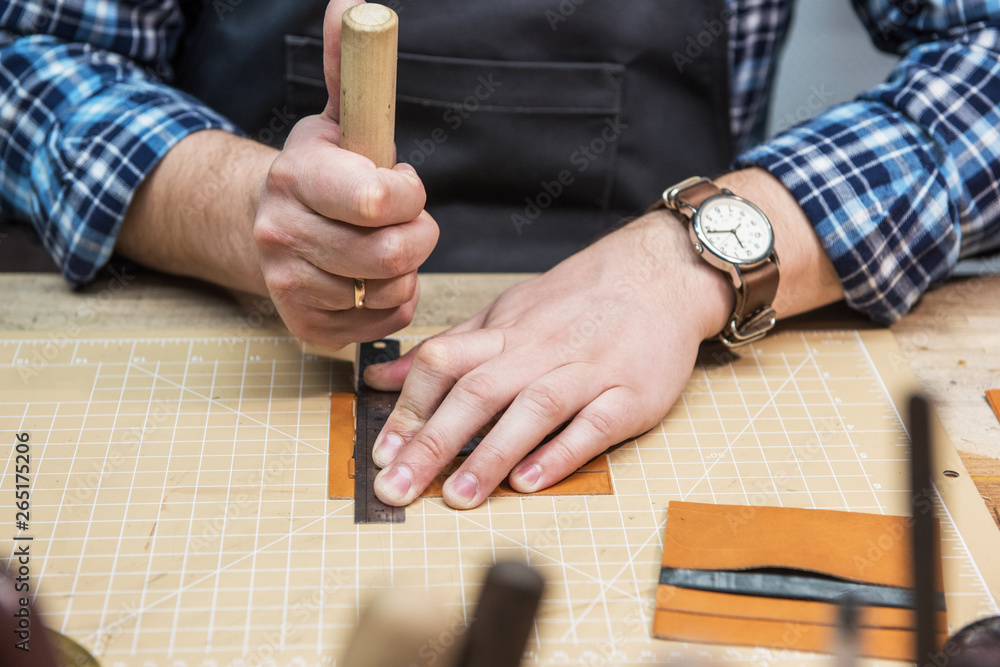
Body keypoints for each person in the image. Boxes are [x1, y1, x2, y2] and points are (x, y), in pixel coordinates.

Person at [2, 1, 999, 511]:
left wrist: (699, 254)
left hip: (673, 333)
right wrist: (232, 207)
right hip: (215, 333)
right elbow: (33, 53)